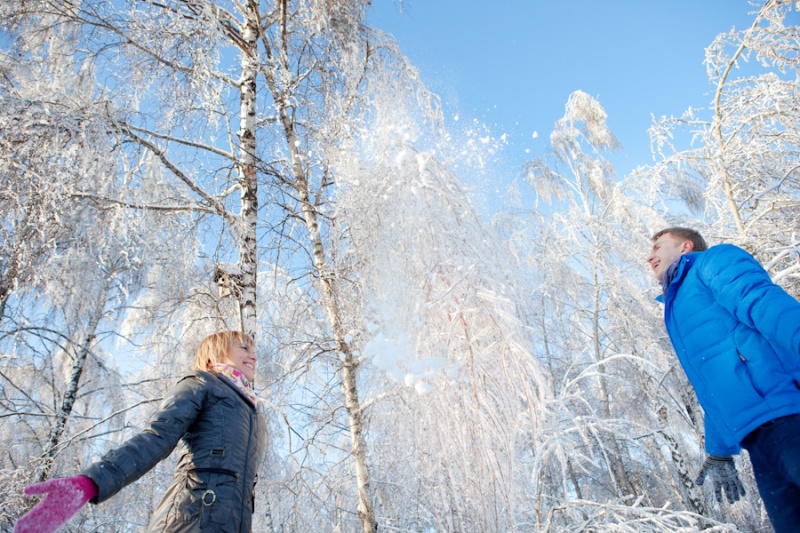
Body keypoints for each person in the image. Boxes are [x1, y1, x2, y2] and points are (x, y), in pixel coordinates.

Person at [15, 330, 266, 533]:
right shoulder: (202, 384)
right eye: (244, 348)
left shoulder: (252, 412)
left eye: (254, 351)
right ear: (214, 353)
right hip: (191, 520)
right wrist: (92, 481)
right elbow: (155, 438)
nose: (253, 356)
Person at [646, 227, 800, 532]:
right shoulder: (676, 307)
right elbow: (711, 384)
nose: (650, 257)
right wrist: (718, 451)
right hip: (757, 439)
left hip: (788, 413)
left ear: (685, 247)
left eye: (658, 247)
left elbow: (764, 304)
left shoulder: (713, 261)